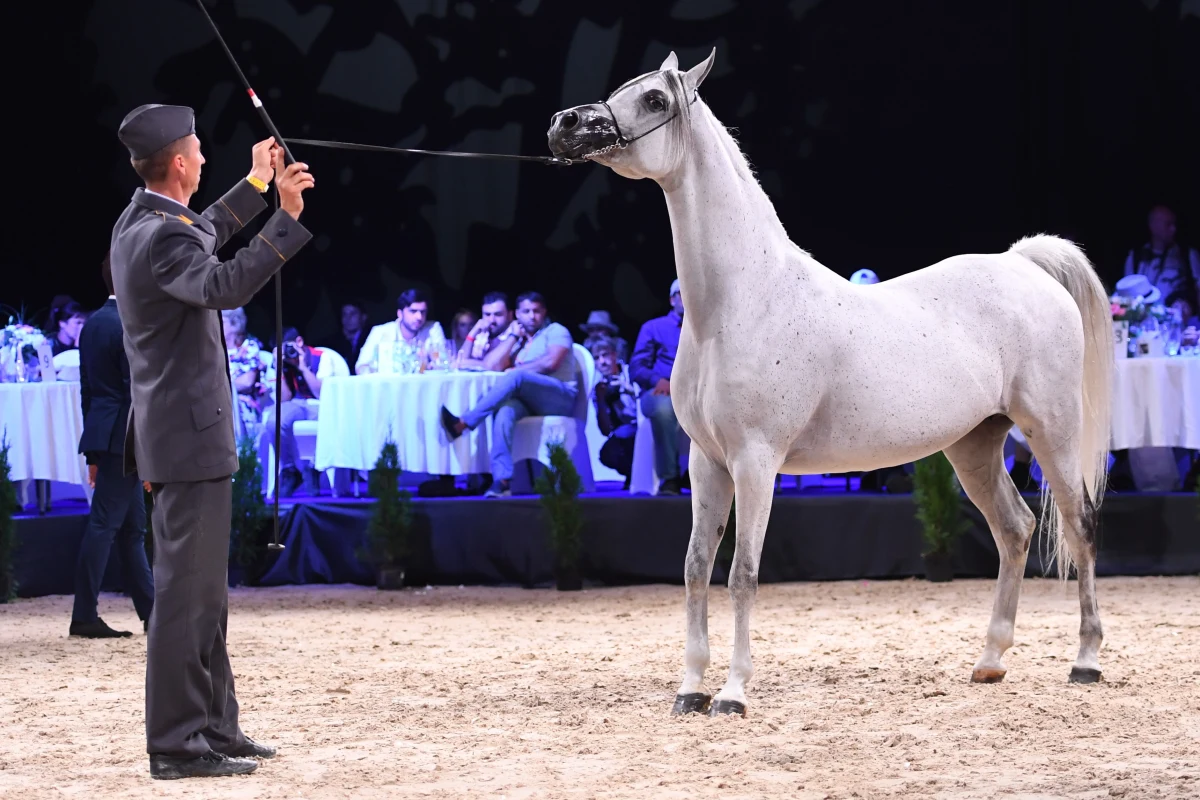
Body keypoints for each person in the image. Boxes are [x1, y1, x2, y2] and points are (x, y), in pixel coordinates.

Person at [110, 103, 313, 780]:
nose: (202, 159)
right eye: (198, 152)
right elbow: (222, 281)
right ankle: (176, 743)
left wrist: (255, 187)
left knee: (205, 598)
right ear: (177, 163)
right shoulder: (161, 238)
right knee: (185, 601)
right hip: (187, 444)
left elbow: (201, 233)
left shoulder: (143, 220)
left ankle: (215, 726)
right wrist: (284, 217)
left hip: (178, 440)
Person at [70, 253, 155, 639]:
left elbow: (89, 391)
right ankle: (84, 614)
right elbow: (137, 395)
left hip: (106, 436)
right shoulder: (129, 324)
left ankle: (152, 613)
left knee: (131, 528)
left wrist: (92, 452)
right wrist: (149, 454)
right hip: (126, 438)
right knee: (105, 525)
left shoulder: (90, 325)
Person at [440, 292, 578, 497]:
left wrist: (516, 372)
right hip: (530, 402)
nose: (532, 316)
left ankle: (464, 423)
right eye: (526, 311)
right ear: (517, 316)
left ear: (544, 312)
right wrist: (512, 338)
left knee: (517, 377)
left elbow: (551, 362)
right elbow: (492, 366)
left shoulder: (556, 331)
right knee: (504, 410)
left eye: (537, 311)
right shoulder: (520, 341)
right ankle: (502, 481)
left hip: (560, 397)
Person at [260, 326, 338, 497]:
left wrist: (302, 366)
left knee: (331, 420)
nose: (288, 354)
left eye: (289, 348)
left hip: (322, 405)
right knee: (274, 420)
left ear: (299, 342)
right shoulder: (280, 363)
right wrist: (280, 368)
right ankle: (289, 469)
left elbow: (321, 394)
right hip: (297, 403)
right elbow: (284, 398)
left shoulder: (322, 357)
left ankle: (314, 467)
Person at [630, 279, 688, 494]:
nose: (688, 296)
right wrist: (657, 380)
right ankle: (670, 478)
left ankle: (702, 475)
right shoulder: (654, 327)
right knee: (664, 409)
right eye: (682, 293)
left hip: (699, 393)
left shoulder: (706, 329)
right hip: (662, 391)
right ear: (672, 300)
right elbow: (636, 368)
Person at [1123, 205, 1200, 325]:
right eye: (1168, 224)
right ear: (1153, 226)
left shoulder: (1187, 255)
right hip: (1142, 325)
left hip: (1180, 324)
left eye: (1174, 224)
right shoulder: (1135, 257)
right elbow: (1125, 292)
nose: (1173, 229)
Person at [355, 288, 447, 374]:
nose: (419, 317)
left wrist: (433, 365)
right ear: (400, 314)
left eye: (423, 312)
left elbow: (443, 363)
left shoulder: (432, 329)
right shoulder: (380, 332)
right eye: (413, 311)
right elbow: (361, 366)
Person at [589, 336, 638, 486]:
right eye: (597, 358)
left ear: (614, 355)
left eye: (605, 355)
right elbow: (605, 431)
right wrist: (602, 400)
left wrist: (628, 389)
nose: (602, 362)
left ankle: (636, 476)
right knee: (607, 454)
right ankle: (632, 474)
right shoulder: (598, 387)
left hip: (644, 427)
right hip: (624, 433)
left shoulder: (632, 372)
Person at [222, 306, 271, 443]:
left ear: (234, 325)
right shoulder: (214, 351)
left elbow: (247, 382)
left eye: (221, 322)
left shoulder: (249, 347)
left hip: (243, 406)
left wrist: (218, 386)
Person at [455, 291, 513, 370]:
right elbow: (460, 361)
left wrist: (469, 363)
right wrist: (473, 333)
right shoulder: (483, 334)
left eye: (498, 314)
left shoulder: (514, 334)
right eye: (487, 314)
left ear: (510, 315)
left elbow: (494, 366)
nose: (492, 320)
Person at [320, 300, 368, 369]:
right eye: (344, 314)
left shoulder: (371, 337)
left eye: (353, 313)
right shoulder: (332, 342)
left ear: (363, 317)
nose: (348, 318)